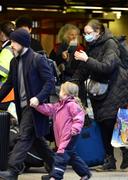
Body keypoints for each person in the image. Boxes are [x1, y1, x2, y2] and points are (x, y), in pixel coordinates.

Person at [74, 19, 128, 171]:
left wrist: (87, 59)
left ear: (98, 32)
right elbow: (84, 70)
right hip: (100, 90)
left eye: (89, 33)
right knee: (102, 123)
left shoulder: (110, 44)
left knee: (110, 122)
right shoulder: (92, 46)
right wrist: (74, 81)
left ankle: (125, 150)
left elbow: (107, 67)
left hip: (115, 88)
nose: (86, 36)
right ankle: (110, 160)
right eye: (84, 34)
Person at [0, 28, 55, 180]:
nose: (11, 45)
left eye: (14, 42)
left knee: (23, 136)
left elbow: (50, 81)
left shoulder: (38, 59)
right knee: (36, 139)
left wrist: (39, 98)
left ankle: (13, 170)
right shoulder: (14, 61)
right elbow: (8, 84)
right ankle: (56, 166)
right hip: (23, 108)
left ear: (23, 43)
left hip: (35, 107)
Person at [31, 81, 91, 180]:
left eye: (61, 90)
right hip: (62, 137)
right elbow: (48, 109)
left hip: (70, 135)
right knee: (71, 156)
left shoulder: (72, 105)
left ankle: (55, 176)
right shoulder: (58, 105)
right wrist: (37, 106)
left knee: (61, 156)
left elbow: (79, 117)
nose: (59, 92)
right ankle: (85, 173)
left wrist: (75, 129)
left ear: (66, 93)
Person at [0, 21, 15, 108]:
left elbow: (1, 73)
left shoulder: (6, 51)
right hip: (13, 95)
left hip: (5, 96)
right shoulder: (14, 48)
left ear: (2, 33)